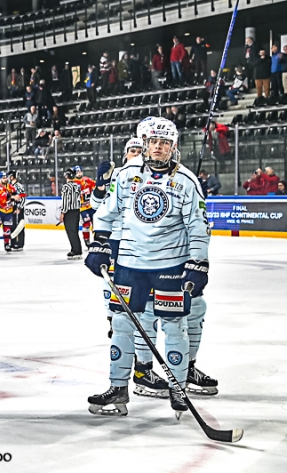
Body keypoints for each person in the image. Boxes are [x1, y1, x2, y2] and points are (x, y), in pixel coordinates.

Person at [85, 117, 210, 417]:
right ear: (144, 144)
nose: (158, 147)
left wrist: (198, 263)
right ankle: (118, 387)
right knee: (121, 325)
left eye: (164, 143)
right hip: (129, 264)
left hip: (170, 265)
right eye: (153, 142)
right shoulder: (126, 176)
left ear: (173, 147)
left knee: (173, 326)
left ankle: (178, 388)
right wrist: (99, 244)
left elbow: (198, 226)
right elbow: (106, 212)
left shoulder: (187, 182)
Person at [91, 133, 173, 396]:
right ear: (126, 153)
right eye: (133, 149)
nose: (137, 152)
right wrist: (100, 186)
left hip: (148, 250)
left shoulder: (155, 175)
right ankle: (128, 373)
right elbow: (98, 207)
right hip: (120, 246)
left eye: (140, 148)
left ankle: (143, 369)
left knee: (148, 314)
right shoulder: (121, 175)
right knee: (122, 312)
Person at [0, 171, 20, 253]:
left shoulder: (11, 187)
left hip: (9, 211)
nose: (5, 179)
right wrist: (13, 197)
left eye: (5, 177)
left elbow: (17, 196)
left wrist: (17, 205)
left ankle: (7, 244)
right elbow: (3, 198)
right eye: (3, 178)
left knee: (7, 229)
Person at [60, 168, 82, 260]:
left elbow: (65, 201)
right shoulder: (77, 186)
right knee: (75, 231)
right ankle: (77, 249)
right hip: (76, 210)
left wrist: (62, 212)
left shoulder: (66, 187)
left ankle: (76, 251)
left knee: (71, 231)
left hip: (69, 212)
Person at [73, 166, 96, 246]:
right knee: (86, 224)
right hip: (82, 208)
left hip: (92, 206)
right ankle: (87, 240)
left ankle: (97, 239)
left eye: (80, 171)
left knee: (96, 223)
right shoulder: (73, 183)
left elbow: (95, 186)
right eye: (77, 172)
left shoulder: (87, 179)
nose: (79, 173)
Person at [7, 171, 26, 251]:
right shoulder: (11, 186)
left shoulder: (18, 186)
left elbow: (23, 197)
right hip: (13, 208)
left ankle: (20, 243)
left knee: (19, 226)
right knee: (13, 225)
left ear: (11, 177)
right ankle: (13, 242)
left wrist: (19, 208)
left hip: (18, 208)